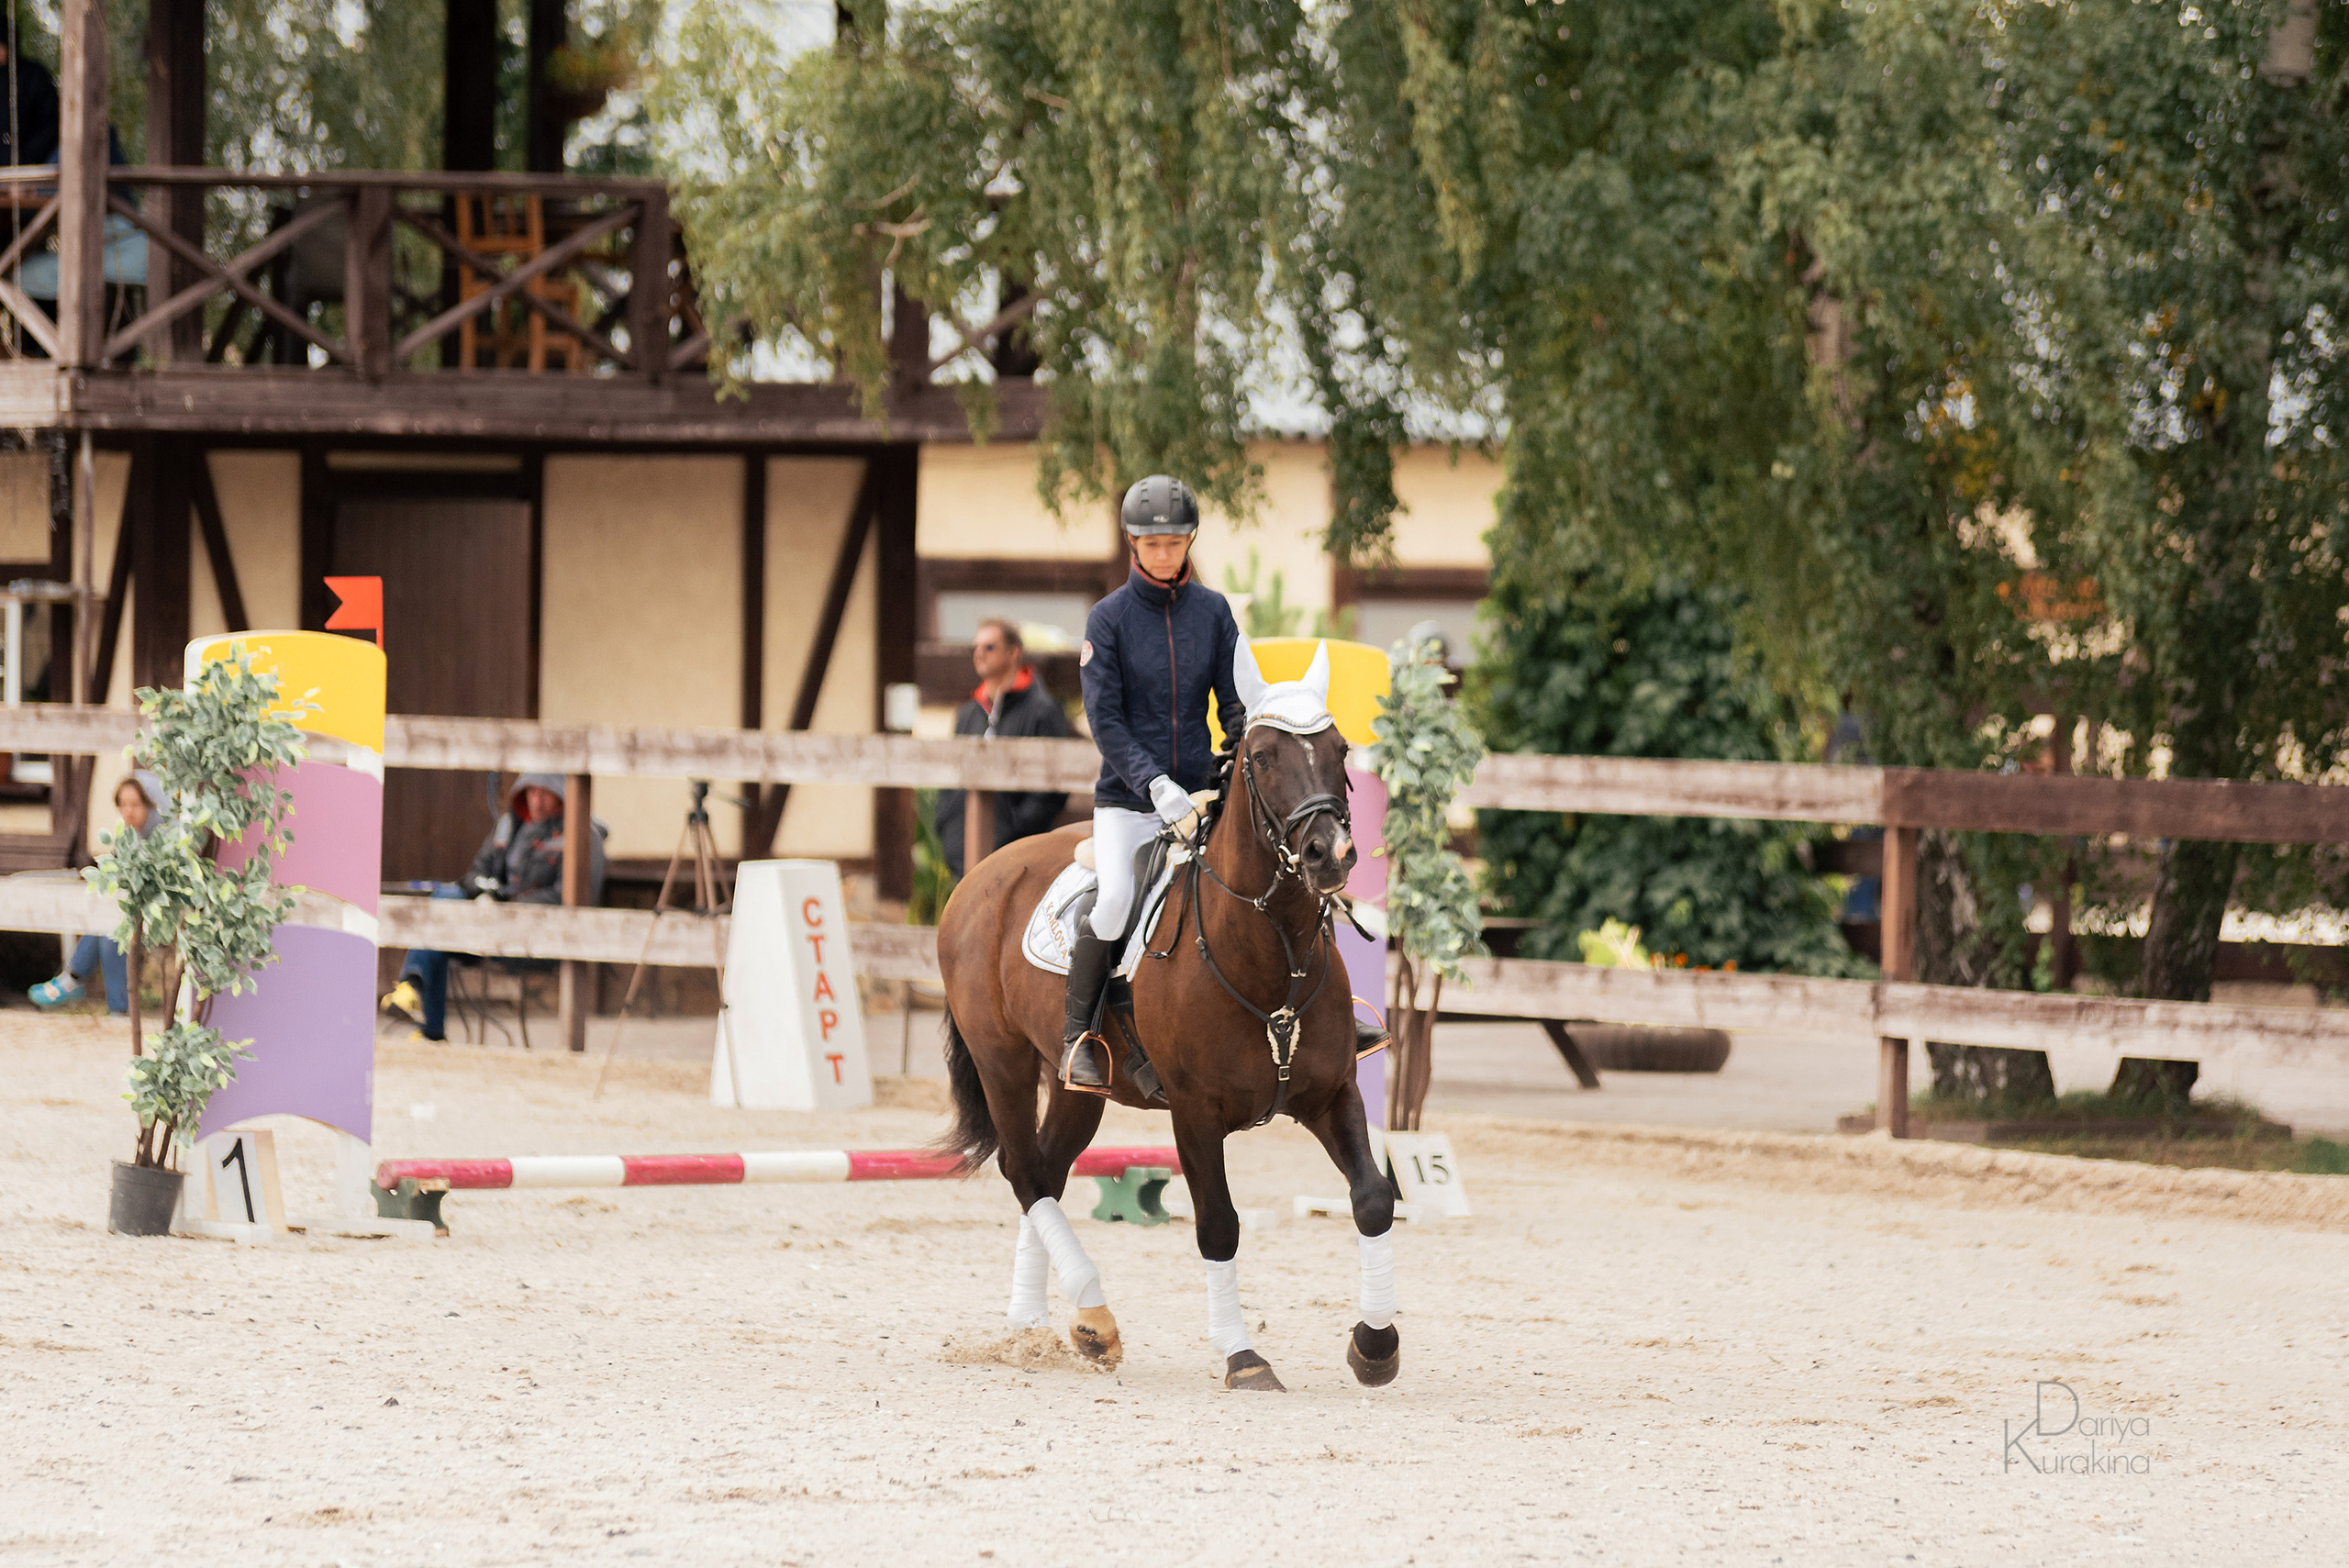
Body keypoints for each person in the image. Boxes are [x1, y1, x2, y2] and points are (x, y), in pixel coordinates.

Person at [1061, 475, 1249, 1094]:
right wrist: (1153, 783)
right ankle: (1079, 1037)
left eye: (1174, 543)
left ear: (1189, 540)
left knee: (1267, 876)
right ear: (1132, 544)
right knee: (1117, 900)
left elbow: (1235, 702)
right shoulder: (1108, 619)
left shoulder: (1214, 612)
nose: (1164, 554)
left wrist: (1235, 756)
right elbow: (1105, 720)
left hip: (1200, 798)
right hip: (1129, 801)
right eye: (1152, 544)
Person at [382, 773, 607, 1042]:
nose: (537, 801)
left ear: (562, 795)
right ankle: (424, 1016)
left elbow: (568, 899)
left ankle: (417, 996)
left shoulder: (583, 836)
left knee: (442, 920)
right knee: (445, 902)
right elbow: (476, 872)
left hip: (539, 937)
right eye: (531, 792)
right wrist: (484, 892)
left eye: (545, 793)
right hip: (491, 927)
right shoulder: (509, 826)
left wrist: (506, 907)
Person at [935, 617, 1071, 875]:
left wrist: (1018, 826)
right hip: (961, 857)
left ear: (1013, 652)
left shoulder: (1043, 710)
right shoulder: (967, 714)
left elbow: (1054, 787)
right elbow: (951, 776)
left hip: (1019, 859)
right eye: (975, 647)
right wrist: (946, 821)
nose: (979, 654)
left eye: (989, 647)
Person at [31, 772, 170, 1013]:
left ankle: (85, 987)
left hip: (162, 916)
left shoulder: (167, 836)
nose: (128, 812)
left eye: (136, 804)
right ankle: (92, 992)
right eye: (123, 805)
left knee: (110, 930)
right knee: (108, 925)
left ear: (152, 804)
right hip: (128, 915)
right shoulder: (130, 838)